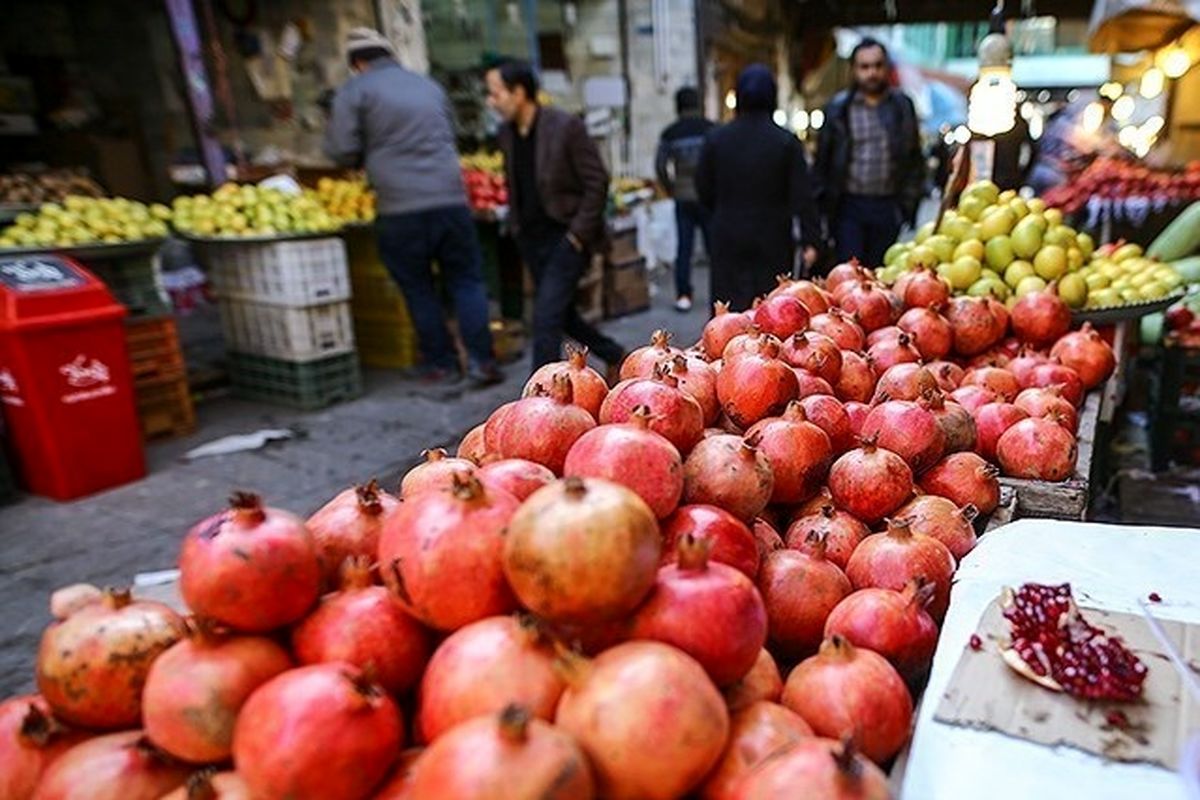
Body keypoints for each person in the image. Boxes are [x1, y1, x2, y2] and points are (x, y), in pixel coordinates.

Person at [324, 28, 500, 387]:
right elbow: (450, 132)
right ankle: (483, 362)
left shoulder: (356, 90)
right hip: (451, 201)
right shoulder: (427, 86)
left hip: (401, 207)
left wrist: (368, 153)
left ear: (357, 63)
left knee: (419, 287)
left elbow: (341, 149)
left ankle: (443, 364)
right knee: (467, 281)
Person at [485, 59, 625, 376]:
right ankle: (614, 353)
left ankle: (541, 398)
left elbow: (596, 181)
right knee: (561, 315)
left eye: (496, 93)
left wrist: (577, 235)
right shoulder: (506, 134)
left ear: (519, 92)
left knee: (545, 317)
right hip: (531, 239)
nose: (490, 101)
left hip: (566, 238)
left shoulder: (564, 127)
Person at [695, 64, 821, 312]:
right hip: (773, 235)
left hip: (728, 233)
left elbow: (703, 188)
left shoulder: (716, 140)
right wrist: (811, 239)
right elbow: (802, 196)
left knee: (728, 312)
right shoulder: (786, 142)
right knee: (772, 311)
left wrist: (720, 214)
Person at [813, 38, 925, 269]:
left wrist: (907, 207)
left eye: (877, 65)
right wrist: (823, 210)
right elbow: (823, 163)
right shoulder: (838, 109)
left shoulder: (902, 106)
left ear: (886, 67)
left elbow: (914, 158)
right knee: (849, 274)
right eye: (864, 67)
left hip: (888, 206)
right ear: (854, 70)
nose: (872, 73)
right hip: (848, 207)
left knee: (881, 274)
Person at [655, 87, 715, 312]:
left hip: (682, 195)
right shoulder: (710, 129)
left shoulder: (670, 133)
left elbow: (660, 165)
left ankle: (683, 295)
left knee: (684, 248)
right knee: (714, 249)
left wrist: (670, 188)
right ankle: (719, 296)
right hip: (707, 197)